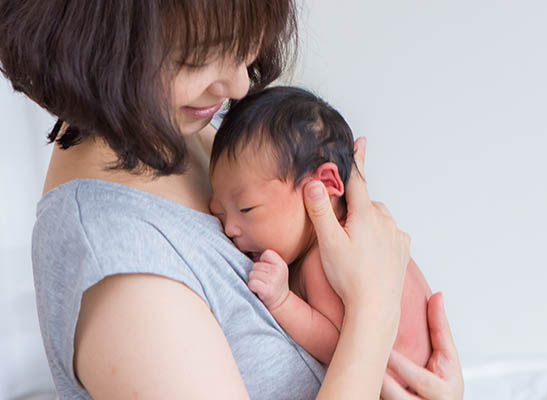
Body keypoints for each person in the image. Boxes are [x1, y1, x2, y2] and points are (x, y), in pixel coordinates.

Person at [0, 1, 464, 398]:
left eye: (244, 44)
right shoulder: (123, 269)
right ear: (96, 39)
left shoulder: (188, 131)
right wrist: (375, 309)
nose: (240, 86)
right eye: (200, 56)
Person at [209, 86, 433, 382]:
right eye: (218, 213)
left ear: (325, 184)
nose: (229, 229)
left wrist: (281, 300)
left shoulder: (325, 262)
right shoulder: (372, 237)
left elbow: (337, 346)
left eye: (247, 209)